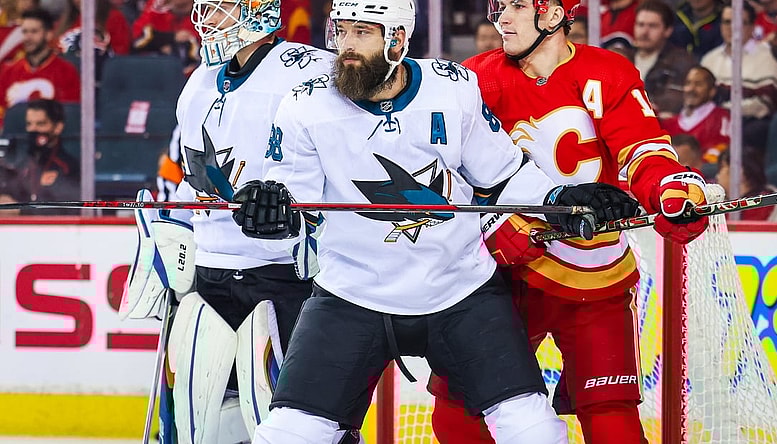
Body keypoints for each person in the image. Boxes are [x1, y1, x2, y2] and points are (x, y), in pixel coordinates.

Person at [231, 0, 642, 442]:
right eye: (341, 31)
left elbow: (502, 175)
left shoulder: (454, 87)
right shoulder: (305, 103)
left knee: (534, 429)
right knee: (289, 434)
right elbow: (297, 200)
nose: (345, 47)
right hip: (351, 292)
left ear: (398, 40)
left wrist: (561, 197)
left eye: (362, 33)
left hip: (460, 290)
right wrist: (270, 206)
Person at [429, 0, 711, 443]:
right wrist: (490, 225)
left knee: (610, 415)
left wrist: (670, 189)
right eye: (497, 6)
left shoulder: (608, 72)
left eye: (517, 6)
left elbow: (642, 147)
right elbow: (448, 174)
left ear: (554, 14)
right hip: (498, 273)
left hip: (593, 269)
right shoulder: (474, 78)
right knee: (460, 411)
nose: (500, 18)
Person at [122, 0, 339, 441]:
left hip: (286, 276)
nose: (206, 20)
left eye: (219, 9)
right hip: (211, 276)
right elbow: (189, 177)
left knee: (293, 421)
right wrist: (169, 232)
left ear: (257, 12)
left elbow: (342, 162)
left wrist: (305, 214)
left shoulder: (312, 70)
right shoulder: (199, 82)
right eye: (205, 8)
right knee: (198, 420)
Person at [701, 0, 777, 153]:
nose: (731, 28)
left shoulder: (768, 57)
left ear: (752, 27)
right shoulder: (709, 60)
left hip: (747, 128)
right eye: (727, 22)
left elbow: (764, 105)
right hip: (710, 127)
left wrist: (723, 112)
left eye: (739, 22)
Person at [0, 8, 79, 129]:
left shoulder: (66, 70)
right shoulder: (9, 71)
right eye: (25, 32)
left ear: (48, 34)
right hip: (15, 142)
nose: (27, 37)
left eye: (34, 31)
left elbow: (70, 116)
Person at [0, 99, 79, 214]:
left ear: (58, 127)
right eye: (29, 124)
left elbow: (70, 207)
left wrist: (21, 211)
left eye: (40, 124)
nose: (33, 130)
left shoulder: (69, 166)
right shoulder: (18, 163)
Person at [632, 0, 696, 119]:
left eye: (652, 26)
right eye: (640, 25)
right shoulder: (622, 58)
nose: (645, 32)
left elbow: (673, 103)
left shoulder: (682, 61)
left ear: (668, 30)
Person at [660, 65, 730, 164]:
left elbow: (722, 151)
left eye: (698, 84)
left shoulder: (722, 118)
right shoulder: (668, 124)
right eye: (688, 83)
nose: (691, 89)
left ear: (712, 91)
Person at [715, 149, 777, 221]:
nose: (717, 176)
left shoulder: (775, 204)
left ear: (737, 171)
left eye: (721, 168)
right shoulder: (716, 205)